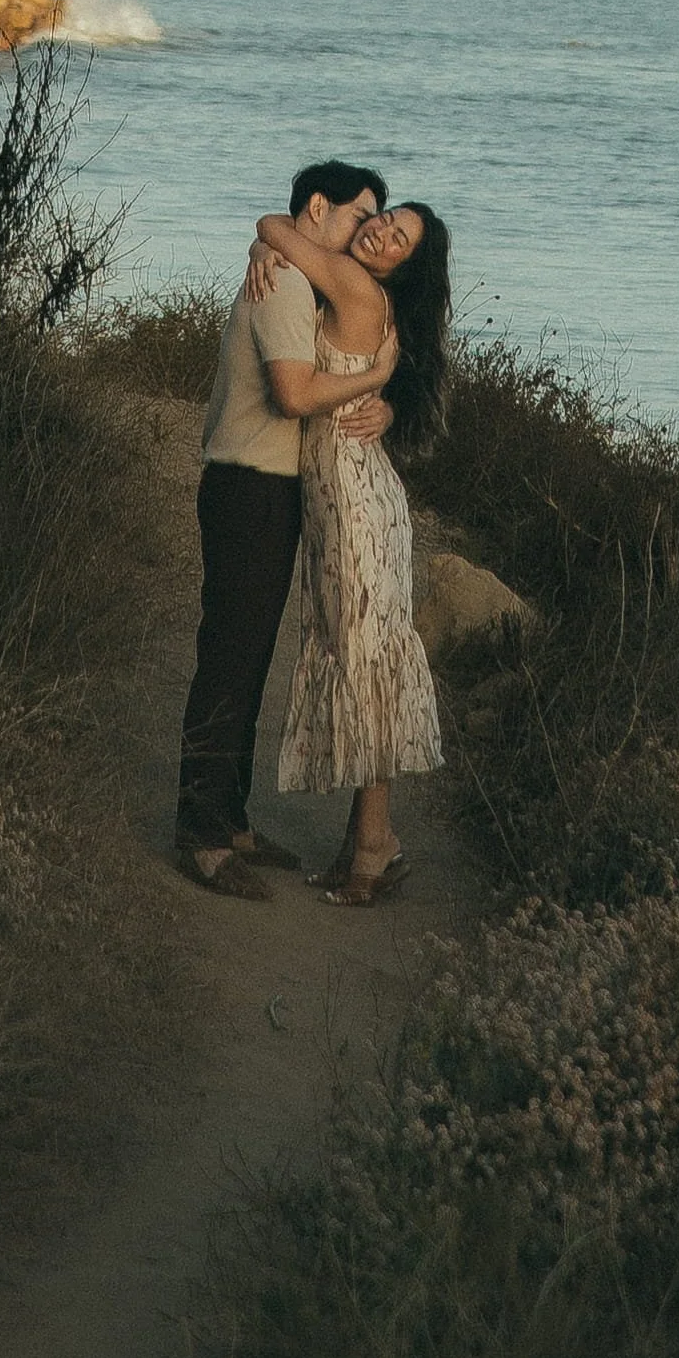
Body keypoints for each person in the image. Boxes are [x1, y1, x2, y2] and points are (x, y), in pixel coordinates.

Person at [174, 161, 398, 899]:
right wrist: (374, 380)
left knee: (249, 657)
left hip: (271, 490)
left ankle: (228, 818)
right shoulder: (285, 284)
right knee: (228, 658)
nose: (364, 231)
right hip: (247, 486)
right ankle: (202, 837)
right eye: (357, 217)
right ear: (315, 208)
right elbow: (294, 393)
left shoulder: (294, 272)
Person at [257, 195, 453, 905]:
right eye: (382, 220)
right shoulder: (362, 291)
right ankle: (361, 844)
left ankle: (375, 850)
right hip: (348, 501)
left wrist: (266, 244)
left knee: (366, 668)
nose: (379, 233)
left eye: (396, 238)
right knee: (360, 662)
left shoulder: (354, 287)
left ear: (405, 265)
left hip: (356, 510)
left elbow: (273, 225)